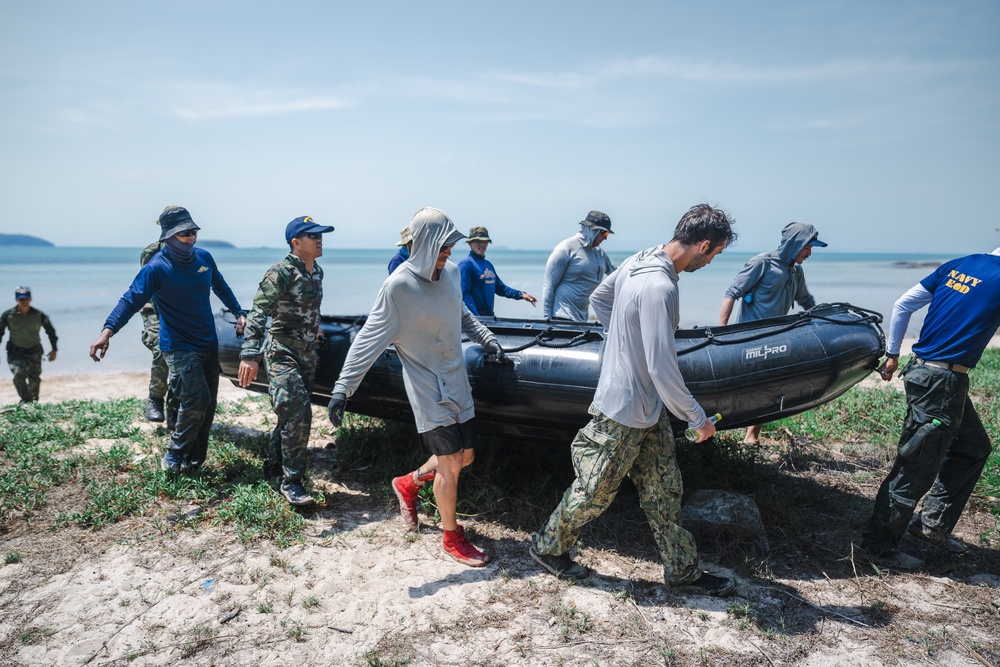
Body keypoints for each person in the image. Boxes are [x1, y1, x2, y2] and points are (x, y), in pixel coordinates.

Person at [529, 203, 738, 597]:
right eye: (717, 254)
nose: (712, 262)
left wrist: (624, 339)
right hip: (623, 409)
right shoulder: (660, 286)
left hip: (648, 408)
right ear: (704, 245)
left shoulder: (641, 258)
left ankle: (683, 570)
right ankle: (546, 547)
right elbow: (662, 368)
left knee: (665, 491)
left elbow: (599, 300)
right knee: (593, 493)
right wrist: (697, 419)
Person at [327, 206, 504, 567]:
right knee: (452, 462)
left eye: (450, 246)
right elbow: (367, 341)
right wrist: (343, 389)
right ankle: (452, 539)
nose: (449, 253)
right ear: (424, 244)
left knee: (465, 457)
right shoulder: (398, 288)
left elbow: (463, 313)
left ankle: (409, 483)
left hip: (456, 380)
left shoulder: (452, 273)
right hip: (427, 389)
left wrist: (487, 340)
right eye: (443, 247)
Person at [859, 247, 1000, 571]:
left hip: (928, 374)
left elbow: (903, 304)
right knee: (916, 464)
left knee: (973, 447)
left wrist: (893, 353)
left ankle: (932, 525)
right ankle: (878, 546)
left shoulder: (960, 264)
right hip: (941, 380)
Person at [89, 206, 247, 474]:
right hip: (179, 346)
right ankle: (174, 454)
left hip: (208, 343)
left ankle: (193, 463)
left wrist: (238, 311)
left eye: (193, 231)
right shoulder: (156, 268)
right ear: (168, 237)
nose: (191, 237)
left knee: (207, 406)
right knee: (196, 400)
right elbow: (130, 300)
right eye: (184, 233)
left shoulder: (204, 258)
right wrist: (107, 331)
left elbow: (219, 285)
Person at [238, 215, 334, 506]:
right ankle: (292, 483)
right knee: (299, 413)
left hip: (306, 353)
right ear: (296, 243)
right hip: (281, 353)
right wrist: (250, 354)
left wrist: (314, 326)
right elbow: (258, 312)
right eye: (312, 236)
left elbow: (308, 307)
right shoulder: (279, 272)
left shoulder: (316, 271)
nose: (319, 240)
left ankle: (272, 467)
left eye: (321, 235)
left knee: (288, 414)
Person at [717, 222, 827, 444]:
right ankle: (717, 429)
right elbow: (731, 293)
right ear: (796, 244)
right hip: (748, 338)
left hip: (775, 339)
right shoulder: (762, 263)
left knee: (768, 387)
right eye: (807, 247)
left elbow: (805, 300)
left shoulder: (796, 271)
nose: (810, 253)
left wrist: (821, 325)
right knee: (740, 387)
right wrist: (722, 332)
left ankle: (751, 436)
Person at [541, 211, 616, 321]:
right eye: (604, 234)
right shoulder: (565, 248)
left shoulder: (600, 253)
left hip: (582, 319)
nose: (605, 238)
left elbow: (617, 274)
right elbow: (549, 286)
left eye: (607, 235)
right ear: (593, 231)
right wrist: (546, 321)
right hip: (561, 317)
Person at [458, 226, 537, 316]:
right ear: (470, 243)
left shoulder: (488, 265)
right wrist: (476, 319)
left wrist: (521, 295)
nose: (482, 244)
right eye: (478, 241)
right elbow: (464, 295)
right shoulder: (466, 264)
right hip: (475, 321)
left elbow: (500, 288)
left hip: (489, 318)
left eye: (485, 241)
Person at [138, 239, 176, 427]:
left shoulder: (189, 249)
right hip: (153, 308)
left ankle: (176, 409)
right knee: (162, 345)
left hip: (178, 308)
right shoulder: (152, 251)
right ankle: (155, 398)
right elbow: (147, 279)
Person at [0, 287, 58, 403]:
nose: (24, 301)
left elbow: (51, 332)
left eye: (26, 298)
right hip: (15, 350)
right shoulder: (8, 315)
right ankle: (26, 401)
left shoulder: (39, 315)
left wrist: (54, 350)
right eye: (21, 299)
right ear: (16, 300)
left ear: (30, 299)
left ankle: (34, 402)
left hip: (34, 350)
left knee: (34, 378)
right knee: (18, 374)